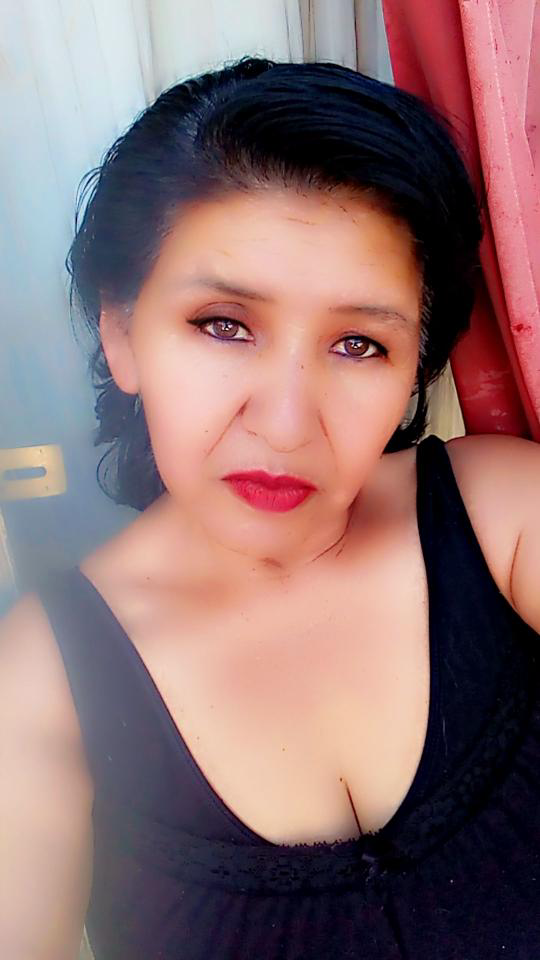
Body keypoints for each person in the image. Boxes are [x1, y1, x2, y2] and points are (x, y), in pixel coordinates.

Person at [0, 56, 539, 960]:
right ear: (121, 332)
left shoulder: (505, 519)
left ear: (417, 368)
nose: (286, 424)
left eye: (359, 344)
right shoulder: (41, 687)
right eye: (224, 324)